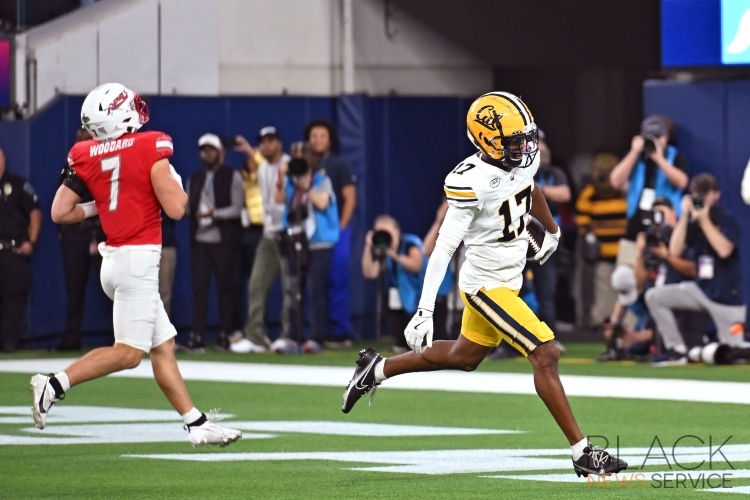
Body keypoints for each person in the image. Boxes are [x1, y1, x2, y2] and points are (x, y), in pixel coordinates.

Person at [341, 91, 627, 477]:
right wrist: (424, 310)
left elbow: (530, 189)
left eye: (525, 139)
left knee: (464, 356)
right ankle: (582, 452)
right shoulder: (470, 181)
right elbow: (443, 247)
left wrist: (553, 231)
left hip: (508, 279)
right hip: (483, 285)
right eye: (514, 142)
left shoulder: (523, 161)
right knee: (546, 352)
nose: (524, 148)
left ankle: (376, 370)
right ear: (486, 140)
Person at [35, 82, 241, 446]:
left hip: (113, 263)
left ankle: (196, 423)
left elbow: (59, 212)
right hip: (138, 261)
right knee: (129, 354)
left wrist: (99, 205)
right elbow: (178, 208)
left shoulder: (86, 153)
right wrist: (172, 179)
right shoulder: (151, 145)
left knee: (164, 344)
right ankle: (53, 383)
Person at [645, 173, 750, 366]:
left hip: (726, 298)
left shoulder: (726, 218)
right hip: (700, 289)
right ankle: (676, 350)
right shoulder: (691, 222)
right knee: (655, 296)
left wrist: (704, 219)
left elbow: (724, 250)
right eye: (696, 195)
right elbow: (674, 250)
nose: (700, 199)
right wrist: (684, 216)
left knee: (734, 353)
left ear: (715, 195)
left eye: (704, 194)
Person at [179, 133, 244, 352]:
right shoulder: (194, 178)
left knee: (226, 288)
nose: (207, 154)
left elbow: (237, 208)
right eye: (204, 151)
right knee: (199, 288)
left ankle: (224, 335)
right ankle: (197, 336)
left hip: (223, 241)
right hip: (200, 241)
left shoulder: (232, 175)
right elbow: (186, 208)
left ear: (221, 153)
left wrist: (214, 214)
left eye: (211, 150)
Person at [276, 147, 339, 354]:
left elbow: (322, 202)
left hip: (320, 243)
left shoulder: (322, 180)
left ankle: (315, 337)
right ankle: (294, 336)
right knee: (294, 289)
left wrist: (306, 186)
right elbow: (278, 200)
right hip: (296, 241)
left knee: (314, 289)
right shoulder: (290, 183)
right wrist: (282, 174)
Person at [361, 214, 448, 353]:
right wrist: (368, 246)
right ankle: (402, 342)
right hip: (409, 301)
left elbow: (416, 265)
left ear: (396, 231)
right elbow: (370, 273)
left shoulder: (409, 243)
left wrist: (393, 254)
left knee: (437, 344)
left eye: (387, 232)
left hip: (431, 299)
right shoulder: (384, 250)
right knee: (387, 299)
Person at [304, 120, 357, 348]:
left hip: (335, 232)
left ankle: (340, 332)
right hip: (310, 234)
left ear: (330, 139)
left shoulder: (339, 164)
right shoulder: (306, 166)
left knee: (336, 279)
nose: (317, 140)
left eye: (322, 136)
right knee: (314, 284)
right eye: (314, 136)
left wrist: (341, 228)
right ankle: (318, 331)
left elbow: (350, 197)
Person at [239, 127, 291, 353]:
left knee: (290, 287)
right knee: (256, 284)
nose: (266, 145)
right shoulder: (261, 170)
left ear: (279, 143)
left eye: (271, 141)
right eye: (263, 142)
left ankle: (288, 337)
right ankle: (256, 337)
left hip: (288, 233)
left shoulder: (290, 164)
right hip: (268, 234)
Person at [55, 128, 108, 351]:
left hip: (100, 229)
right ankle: (71, 339)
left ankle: (123, 340)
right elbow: (61, 207)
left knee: (111, 286)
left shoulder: (107, 163)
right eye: (81, 139)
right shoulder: (72, 168)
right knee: (74, 289)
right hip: (77, 231)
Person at [609, 114, 688, 239]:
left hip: (666, 225)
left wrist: (660, 159)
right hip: (636, 224)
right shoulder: (636, 156)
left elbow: (682, 182)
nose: (654, 141)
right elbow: (615, 181)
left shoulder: (674, 156)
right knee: (628, 258)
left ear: (665, 137)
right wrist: (634, 152)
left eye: (658, 137)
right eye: (650, 137)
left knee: (664, 256)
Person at [574, 152, 628, 331]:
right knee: (603, 288)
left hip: (624, 251)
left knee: (626, 287)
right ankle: (601, 321)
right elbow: (582, 219)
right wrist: (590, 238)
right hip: (603, 252)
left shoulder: (625, 190)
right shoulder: (590, 193)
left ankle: (626, 323)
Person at [0, 147, 42, 352]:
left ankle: (10, 344)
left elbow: (35, 212)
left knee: (13, 299)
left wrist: (31, 242)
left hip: (12, 252)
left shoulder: (17, 185)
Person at [159, 212, 177, 320]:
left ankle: (163, 335)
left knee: (164, 293)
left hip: (165, 246)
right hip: (142, 247)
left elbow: (178, 211)